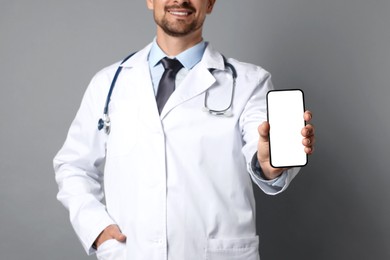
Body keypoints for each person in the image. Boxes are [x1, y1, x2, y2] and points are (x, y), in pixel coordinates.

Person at [53, 0, 315, 259]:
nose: (180, 0)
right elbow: (74, 166)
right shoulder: (108, 83)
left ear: (210, 3)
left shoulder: (250, 83)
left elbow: (263, 156)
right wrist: (97, 229)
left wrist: (268, 164)